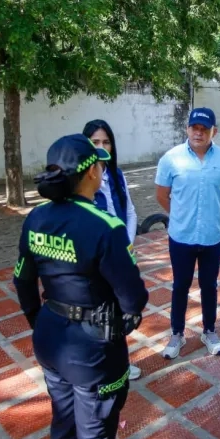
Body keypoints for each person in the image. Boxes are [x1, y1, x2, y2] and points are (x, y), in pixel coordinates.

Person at [13, 134, 149, 439]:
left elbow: (22, 280)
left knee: (63, 425)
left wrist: (41, 320)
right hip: (93, 350)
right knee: (95, 436)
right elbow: (134, 297)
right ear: (91, 172)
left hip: (50, 339)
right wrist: (128, 316)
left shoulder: (36, 218)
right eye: (100, 164)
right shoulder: (104, 226)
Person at [154, 107, 220, 359]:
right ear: (187, 129)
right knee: (180, 285)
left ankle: (209, 330)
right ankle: (177, 334)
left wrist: (209, 211)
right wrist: (182, 213)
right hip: (181, 236)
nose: (198, 133)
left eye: (204, 129)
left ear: (214, 131)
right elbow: (161, 194)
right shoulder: (171, 159)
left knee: (209, 285)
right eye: (194, 128)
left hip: (213, 235)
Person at [83, 119, 142, 382]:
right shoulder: (80, 180)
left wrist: (127, 245)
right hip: (94, 260)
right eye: (95, 142)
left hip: (119, 256)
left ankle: (121, 365)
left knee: (120, 312)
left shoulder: (117, 175)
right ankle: (97, 366)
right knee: (96, 312)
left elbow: (129, 210)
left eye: (106, 142)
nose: (101, 147)